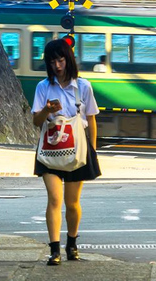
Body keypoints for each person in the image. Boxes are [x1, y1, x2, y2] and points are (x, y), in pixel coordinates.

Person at [31, 39, 101, 266]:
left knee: (72, 203)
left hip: (78, 151)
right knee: (54, 198)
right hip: (50, 150)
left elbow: (90, 119)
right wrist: (46, 110)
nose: (57, 66)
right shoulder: (43, 87)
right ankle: (54, 250)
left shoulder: (83, 86)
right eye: (52, 62)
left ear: (68, 59)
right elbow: (36, 121)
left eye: (60, 60)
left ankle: (72, 243)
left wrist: (93, 149)